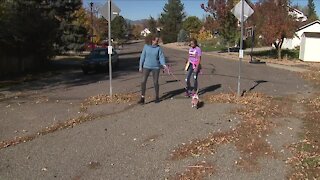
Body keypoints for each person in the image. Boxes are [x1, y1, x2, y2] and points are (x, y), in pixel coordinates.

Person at [138, 35, 168, 104]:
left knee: (155, 82)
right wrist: (140, 66)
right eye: (156, 41)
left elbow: (161, 57)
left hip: (156, 67)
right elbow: (142, 56)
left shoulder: (158, 48)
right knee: (143, 81)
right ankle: (142, 97)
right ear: (152, 40)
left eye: (158, 41)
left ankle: (157, 97)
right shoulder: (146, 46)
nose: (157, 42)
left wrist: (164, 65)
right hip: (146, 66)